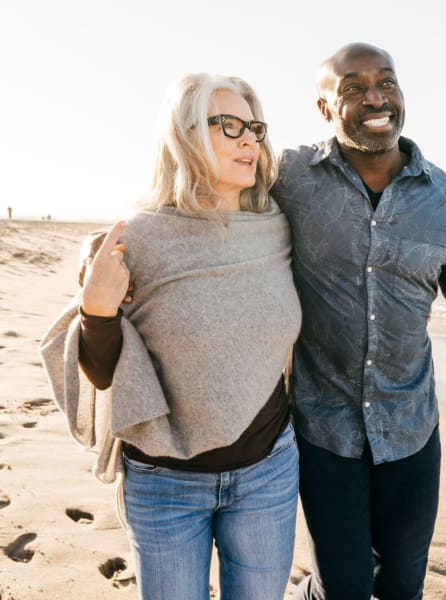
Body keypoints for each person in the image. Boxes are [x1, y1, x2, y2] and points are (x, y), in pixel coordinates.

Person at [272, 43, 446, 600]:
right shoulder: (289, 178)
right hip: (323, 428)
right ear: (325, 108)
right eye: (352, 87)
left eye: (387, 83)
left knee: (403, 586)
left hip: (410, 429)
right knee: (342, 588)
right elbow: (211, 205)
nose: (375, 98)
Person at [40, 73, 302, 600]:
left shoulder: (276, 226)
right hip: (165, 484)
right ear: (184, 135)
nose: (250, 139)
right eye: (230, 125)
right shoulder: (140, 238)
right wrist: (96, 310)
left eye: (254, 127)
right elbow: (102, 373)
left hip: (268, 471)